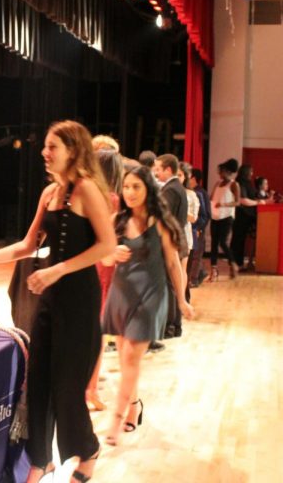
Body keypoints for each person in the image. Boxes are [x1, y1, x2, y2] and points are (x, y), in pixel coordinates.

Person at [0, 120, 116, 483]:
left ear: (73, 150)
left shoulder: (87, 190)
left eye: (53, 146)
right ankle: (40, 459)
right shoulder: (49, 194)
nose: (45, 152)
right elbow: (27, 245)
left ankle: (87, 449)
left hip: (80, 299)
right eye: (45, 146)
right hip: (52, 298)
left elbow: (106, 246)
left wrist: (58, 271)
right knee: (38, 378)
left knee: (68, 386)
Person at [100, 165, 194, 446]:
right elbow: (103, 260)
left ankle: (115, 422)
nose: (129, 192)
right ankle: (135, 405)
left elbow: (173, 264)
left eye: (136, 187)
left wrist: (182, 300)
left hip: (151, 296)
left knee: (130, 358)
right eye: (126, 187)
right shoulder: (116, 220)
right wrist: (111, 253)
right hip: (121, 295)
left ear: (148, 190)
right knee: (124, 358)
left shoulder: (160, 223)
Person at [86, 148, 123, 413]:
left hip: (90, 261)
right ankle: (91, 390)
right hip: (103, 262)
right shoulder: (111, 199)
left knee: (91, 331)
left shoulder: (85, 195)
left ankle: (88, 389)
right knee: (95, 332)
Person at [152, 154, 189, 341]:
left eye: (158, 169)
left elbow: (163, 217)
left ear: (168, 169)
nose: (156, 173)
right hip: (175, 239)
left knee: (170, 284)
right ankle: (174, 325)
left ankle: (172, 326)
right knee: (172, 283)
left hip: (170, 241)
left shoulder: (171, 190)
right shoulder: (177, 188)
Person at [231, 164, 266, 272]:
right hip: (241, 215)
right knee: (238, 240)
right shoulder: (240, 183)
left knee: (240, 240)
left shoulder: (247, 183)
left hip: (247, 216)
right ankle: (237, 263)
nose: (252, 174)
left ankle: (239, 263)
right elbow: (243, 200)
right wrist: (258, 202)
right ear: (246, 172)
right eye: (250, 172)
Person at [209, 159, 240, 280]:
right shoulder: (217, 183)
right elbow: (212, 197)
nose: (219, 174)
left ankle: (232, 263)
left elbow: (237, 202)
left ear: (227, 171)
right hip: (215, 215)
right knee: (214, 243)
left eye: (221, 171)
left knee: (223, 242)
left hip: (227, 216)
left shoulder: (233, 184)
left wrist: (223, 204)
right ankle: (213, 269)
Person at [187, 168, 211, 287]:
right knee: (193, 255)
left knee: (196, 255)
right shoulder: (189, 191)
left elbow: (206, 214)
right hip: (190, 228)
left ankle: (194, 279)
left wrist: (199, 229)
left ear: (194, 178)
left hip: (197, 229)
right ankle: (201, 273)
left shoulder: (201, 193)